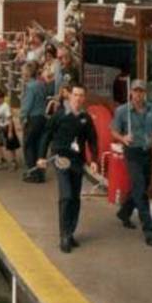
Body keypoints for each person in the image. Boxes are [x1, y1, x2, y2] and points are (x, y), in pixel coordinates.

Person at [110, 79, 152, 248]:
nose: (138, 94)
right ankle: (149, 229)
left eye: (141, 91)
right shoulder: (122, 111)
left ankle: (124, 213)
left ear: (145, 93)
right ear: (131, 92)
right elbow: (113, 130)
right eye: (135, 91)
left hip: (147, 152)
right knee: (140, 189)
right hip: (132, 152)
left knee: (142, 187)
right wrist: (123, 138)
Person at [37, 84, 99, 253]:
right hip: (60, 159)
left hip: (77, 161)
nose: (78, 98)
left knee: (75, 199)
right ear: (70, 96)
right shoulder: (59, 115)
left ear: (84, 98)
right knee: (66, 195)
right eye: (75, 94)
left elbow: (92, 140)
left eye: (81, 95)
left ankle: (71, 233)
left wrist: (94, 160)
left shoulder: (86, 118)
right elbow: (46, 135)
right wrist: (41, 157)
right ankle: (63, 236)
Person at [20, 63, 49, 183]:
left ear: (27, 73)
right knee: (39, 147)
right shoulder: (41, 84)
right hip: (42, 117)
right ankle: (40, 173)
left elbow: (27, 105)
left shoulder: (29, 87)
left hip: (33, 118)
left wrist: (22, 118)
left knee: (29, 146)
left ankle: (32, 173)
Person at [0, 88, 19, 170]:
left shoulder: (5, 106)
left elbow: (10, 120)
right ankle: (2, 159)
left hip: (7, 127)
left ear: (1, 98)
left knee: (10, 145)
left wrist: (10, 131)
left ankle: (13, 160)